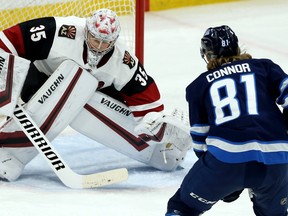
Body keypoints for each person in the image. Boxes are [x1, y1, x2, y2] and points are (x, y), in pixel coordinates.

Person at [0, 8, 192, 182]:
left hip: (82, 90)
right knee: (78, 80)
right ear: (87, 32)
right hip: (36, 80)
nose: (99, 46)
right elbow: (6, 42)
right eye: (95, 39)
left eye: (105, 42)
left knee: (83, 86)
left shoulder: (122, 60)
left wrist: (156, 125)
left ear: (114, 40)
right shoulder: (60, 31)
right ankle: (9, 152)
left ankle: (161, 151)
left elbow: (147, 101)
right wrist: (8, 85)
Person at [165, 25, 288, 216]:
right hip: (277, 161)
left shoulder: (199, 85)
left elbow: (200, 141)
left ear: (207, 55)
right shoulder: (264, 67)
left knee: (182, 207)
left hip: (227, 160)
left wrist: (223, 179)